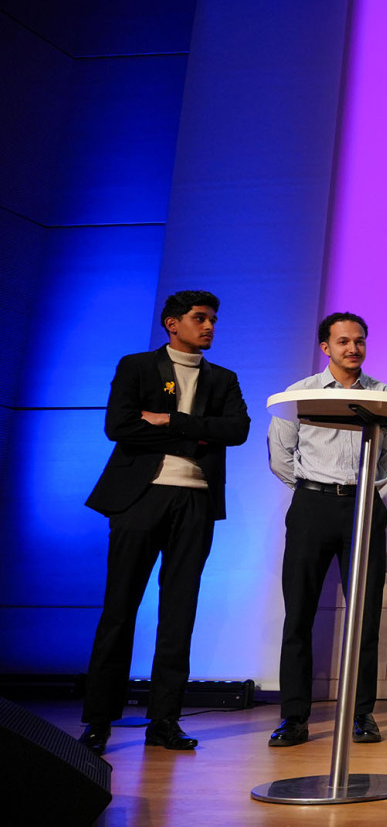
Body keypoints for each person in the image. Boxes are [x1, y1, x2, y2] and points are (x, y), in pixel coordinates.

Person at [78, 291, 251, 755]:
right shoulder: (136, 366)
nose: (210, 325)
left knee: (180, 612)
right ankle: (98, 721)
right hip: (140, 497)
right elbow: (120, 426)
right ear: (172, 324)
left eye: (214, 318)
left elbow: (237, 431)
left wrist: (170, 420)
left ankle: (165, 721)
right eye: (200, 318)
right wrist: (196, 429)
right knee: (120, 609)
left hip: (196, 499)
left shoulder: (224, 378)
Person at [266, 312, 387, 747]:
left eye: (359, 340)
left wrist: (362, 491)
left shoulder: (383, 395)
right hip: (311, 506)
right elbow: (280, 454)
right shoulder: (300, 393)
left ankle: (362, 714)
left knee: (365, 616)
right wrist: (310, 490)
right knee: (299, 615)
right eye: (343, 341)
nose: (353, 348)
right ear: (325, 347)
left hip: (363, 506)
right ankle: (293, 717)